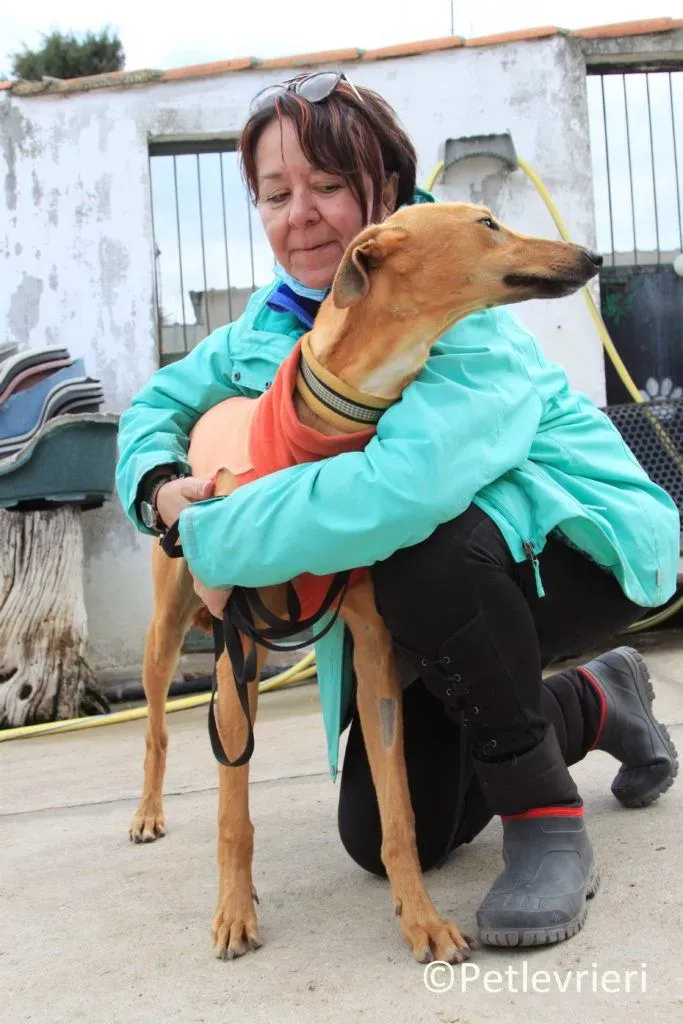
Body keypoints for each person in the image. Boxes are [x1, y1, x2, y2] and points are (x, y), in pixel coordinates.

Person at [116, 72, 679, 949]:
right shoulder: (267, 331)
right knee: (379, 838)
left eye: (326, 185)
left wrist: (210, 538)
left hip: (575, 550)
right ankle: (594, 701)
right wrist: (158, 484)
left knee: (422, 551)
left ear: (381, 187)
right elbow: (155, 407)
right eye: (275, 195)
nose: (300, 215)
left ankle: (543, 820)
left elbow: (397, 492)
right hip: (441, 597)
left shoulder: (460, 297)